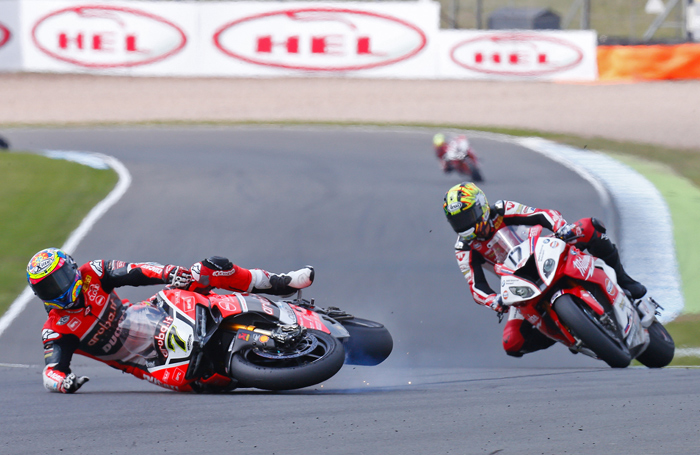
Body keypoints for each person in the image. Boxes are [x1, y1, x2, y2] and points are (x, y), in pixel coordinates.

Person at [27, 248, 314, 393]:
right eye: (47, 288)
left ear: (73, 271)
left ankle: (281, 283)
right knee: (213, 381)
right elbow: (51, 370)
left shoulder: (94, 272)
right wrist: (63, 382)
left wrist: (171, 274)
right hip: (154, 363)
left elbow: (137, 270)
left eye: (60, 280)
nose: (58, 290)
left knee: (211, 267)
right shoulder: (56, 329)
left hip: (155, 312)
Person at [442, 182, 646, 358]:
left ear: (481, 207)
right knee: (511, 343)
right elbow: (476, 286)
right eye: (458, 221)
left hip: (544, 250)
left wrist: (561, 228)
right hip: (518, 283)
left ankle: (624, 279)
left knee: (588, 227)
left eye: (468, 216)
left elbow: (541, 215)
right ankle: (570, 329)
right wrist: (494, 301)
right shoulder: (464, 248)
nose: (464, 225)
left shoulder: (502, 209)